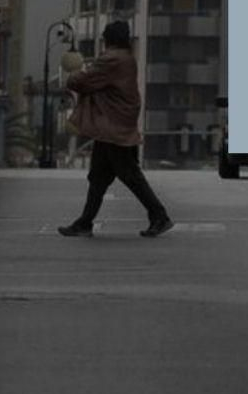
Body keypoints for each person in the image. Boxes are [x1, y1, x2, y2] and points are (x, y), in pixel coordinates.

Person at [58, 20, 173, 238]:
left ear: (108, 38)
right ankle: (85, 222)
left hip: (113, 128)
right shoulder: (127, 58)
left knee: (130, 175)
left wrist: (73, 74)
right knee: (98, 178)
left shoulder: (112, 59)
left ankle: (159, 215)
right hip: (113, 126)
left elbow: (83, 81)